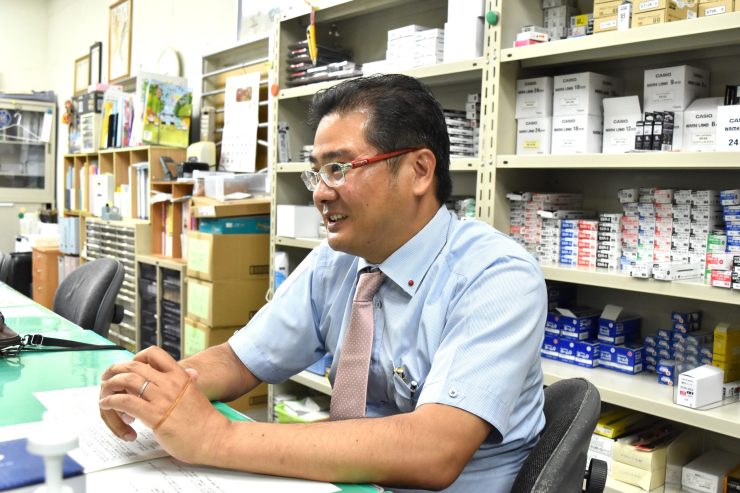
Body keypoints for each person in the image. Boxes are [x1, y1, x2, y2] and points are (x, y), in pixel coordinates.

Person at [99, 74, 547, 492]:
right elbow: (240, 359)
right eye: (317, 172)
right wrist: (159, 389)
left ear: (419, 171)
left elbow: (434, 449)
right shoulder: (337, 262)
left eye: (340, 168)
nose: (319, 192)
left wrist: (215, 437)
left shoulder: (497, 276)